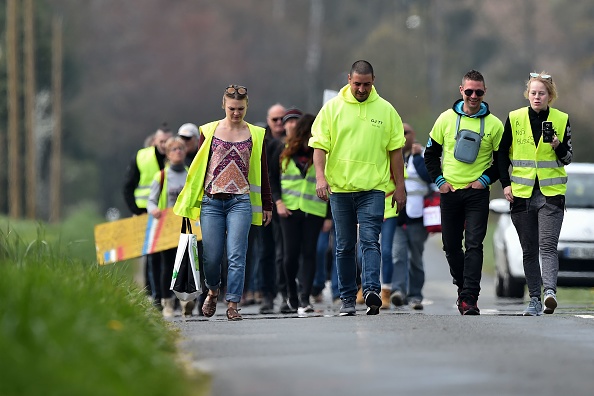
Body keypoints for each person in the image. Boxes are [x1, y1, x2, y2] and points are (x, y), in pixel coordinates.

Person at [309, 60, 406, 316]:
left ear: (374, 80)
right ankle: (348, 298)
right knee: (343, 245)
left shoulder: (386, 111)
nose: (361, 89)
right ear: (349, 79)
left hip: (373, 189)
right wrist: (321, 178)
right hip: (340, 190)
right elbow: (319, 146)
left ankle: (372, 290)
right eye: (357, 84)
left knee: (370, 240)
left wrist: (400, 186)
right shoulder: (332, 109)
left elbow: (396, 151)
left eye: (366, 84)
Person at [173, 84, 273, 321]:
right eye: (232, 108)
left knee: (237, 254)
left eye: (240, 108)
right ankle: (213, 290)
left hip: (240, 201)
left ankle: (233, 303)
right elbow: (197, 169)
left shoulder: (256, 134)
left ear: (247, 106)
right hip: (212, 202)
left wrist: (267, 204)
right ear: (223, 105)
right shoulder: (208, 131)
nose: (236, 113)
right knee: (212, 256)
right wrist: (191, 203)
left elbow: (263, 171)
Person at [424, 69, 504, 315]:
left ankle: (470, 298)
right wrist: (440, 182)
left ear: (484, 93)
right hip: (449, 192)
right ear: (461, 91)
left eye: (478, 92)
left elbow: (501, 163)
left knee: (475, 245)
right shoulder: (445, 119)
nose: (473, 96)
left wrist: (483, 180)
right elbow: (430, 155)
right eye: (469, 91)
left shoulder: (494, 125)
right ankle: (463, 287)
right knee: (450, 246)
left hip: (477, 193)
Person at [498, 71, 572, 316]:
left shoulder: (561, 119)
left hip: (551, 194)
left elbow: (568, 158)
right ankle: (534, 299)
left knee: (548, 247)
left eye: (541, 93)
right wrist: (505, 184)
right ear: (527, 94)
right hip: (521, 193)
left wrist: (558, 146)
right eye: (533, 93)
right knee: (529, 249)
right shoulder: (515, 117)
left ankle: (549, 292)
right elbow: (501, 155)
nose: (537, 97)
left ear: (550, 96)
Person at [270, 113, 329, 314]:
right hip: (289, 209)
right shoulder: (282, 150)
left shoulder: (322, 152)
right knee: (290, 255)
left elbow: (331, 182)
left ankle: (305, 298)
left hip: (314, 209)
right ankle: (291, 294)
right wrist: (277, 202)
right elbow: (273, 178)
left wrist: (329, 215)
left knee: (309, 253)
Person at [123, 123, 173, 309]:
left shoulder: (177, 156)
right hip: (147, 213)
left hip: (171, 216)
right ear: (155, 141)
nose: (165, 145)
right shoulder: (142, 157)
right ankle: (154, 295)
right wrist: (136, 210)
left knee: (170, 257)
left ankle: (167, 295)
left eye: (168, 141)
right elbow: (128, 185)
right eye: (161, 141)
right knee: (152, 256)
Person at [147, 136, 193, 318]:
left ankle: (185, 300)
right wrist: (154, 210)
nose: (178, 152)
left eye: (181, 149)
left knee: (185, 264)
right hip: (165, 228)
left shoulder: (190, 173)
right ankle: (167, 302)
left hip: (186, 225)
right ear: (167, 154)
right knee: (168, 265)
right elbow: (151, 201)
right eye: (174, 149)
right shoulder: (161, 176)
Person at [390, 123, 433, 310]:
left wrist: (417, 158)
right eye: (399, 133)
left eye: (406, 132)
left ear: (413, 135)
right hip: (397, 216)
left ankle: (415, 295)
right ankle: (398, 291)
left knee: (415, 256)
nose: (403, 136)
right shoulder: (391, 155)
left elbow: (429, 177)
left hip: (417, 217)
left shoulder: (422, 155)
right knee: (398, 255)